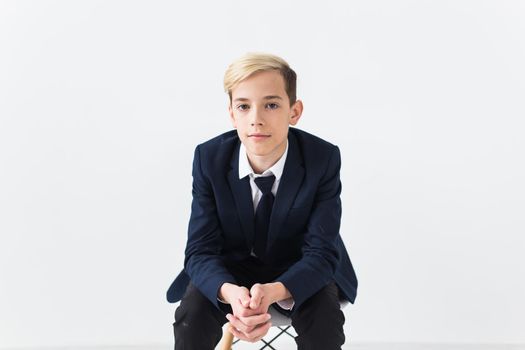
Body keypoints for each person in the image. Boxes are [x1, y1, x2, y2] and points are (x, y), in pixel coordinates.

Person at [166, 52, 358, 350]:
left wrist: (276, 291)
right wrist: (231, 294)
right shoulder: (209, 159)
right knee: (193, 312)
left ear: (294, 112)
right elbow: (200, 250)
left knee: (324, 318)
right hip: (232, 271)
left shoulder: (323, 158)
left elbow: (321, 252)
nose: (256, 119)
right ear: (232, 113)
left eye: (271, 104)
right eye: (244, 106)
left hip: (300, 267)